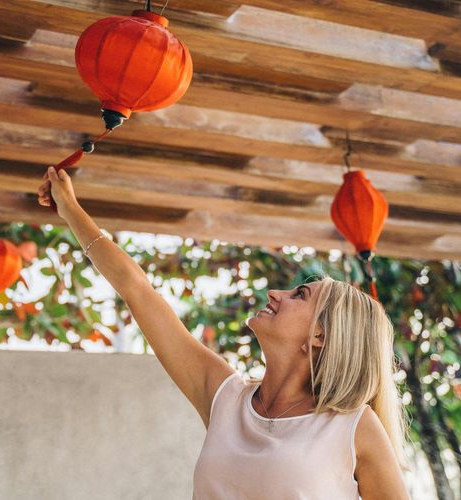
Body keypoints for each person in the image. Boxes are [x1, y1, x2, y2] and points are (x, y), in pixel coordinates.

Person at [38, 166, 410, 499]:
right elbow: (137, 289)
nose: (275, 293)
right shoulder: (225, 398)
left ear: (321, 336)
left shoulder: (353, 426)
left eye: (299, 295)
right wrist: (69, 208)